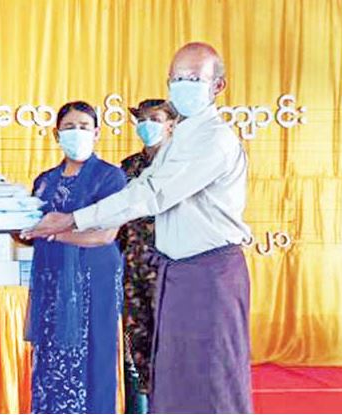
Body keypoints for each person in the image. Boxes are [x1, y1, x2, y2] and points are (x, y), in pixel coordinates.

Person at [23, 42, 253, 413]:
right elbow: (143, 186)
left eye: (194, 78)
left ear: (218, 86)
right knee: (174, 381)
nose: (183, 86)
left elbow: (152, 195)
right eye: (177, 78)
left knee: (212, 380)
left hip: (208, 273)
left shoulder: (214, 140)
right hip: (175, 272)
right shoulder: (182, 138)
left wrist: (71, 219)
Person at [25, 101, 126, 414]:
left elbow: (106, 234)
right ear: (57, 134)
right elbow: (30, 225)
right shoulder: (45, 180)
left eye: (84, 127)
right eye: (69, 127)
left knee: (94, 356)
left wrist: (53, 233)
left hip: (94, 281)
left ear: (96, 133)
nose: (77, 132)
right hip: (52, 281)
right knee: (51, 356)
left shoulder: (110, 177)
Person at [119, 99, 178, 413]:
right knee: (135, 348)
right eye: (141, 119)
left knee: (172, 346)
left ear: (171, 124)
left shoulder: (183, 166)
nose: (146, 125)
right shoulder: (128, 167)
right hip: (132, 268)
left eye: (154, 119)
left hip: (172, 271)